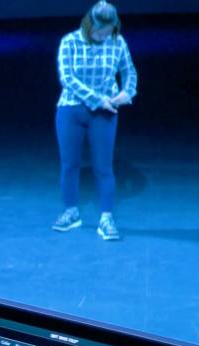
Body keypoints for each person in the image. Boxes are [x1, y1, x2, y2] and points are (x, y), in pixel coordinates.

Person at [52, 1, 138, 241]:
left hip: (105, 113)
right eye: (100, 32)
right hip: (71, 109)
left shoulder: (117, 42)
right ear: (90, 25)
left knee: (103, 167)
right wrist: (98, 100)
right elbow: (67, 78)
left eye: (108, 31)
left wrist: (127, 92)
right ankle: (71, 212)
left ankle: (106, 217)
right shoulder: (69, 41)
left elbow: (129, 71)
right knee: (69, 164)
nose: (103, 36)